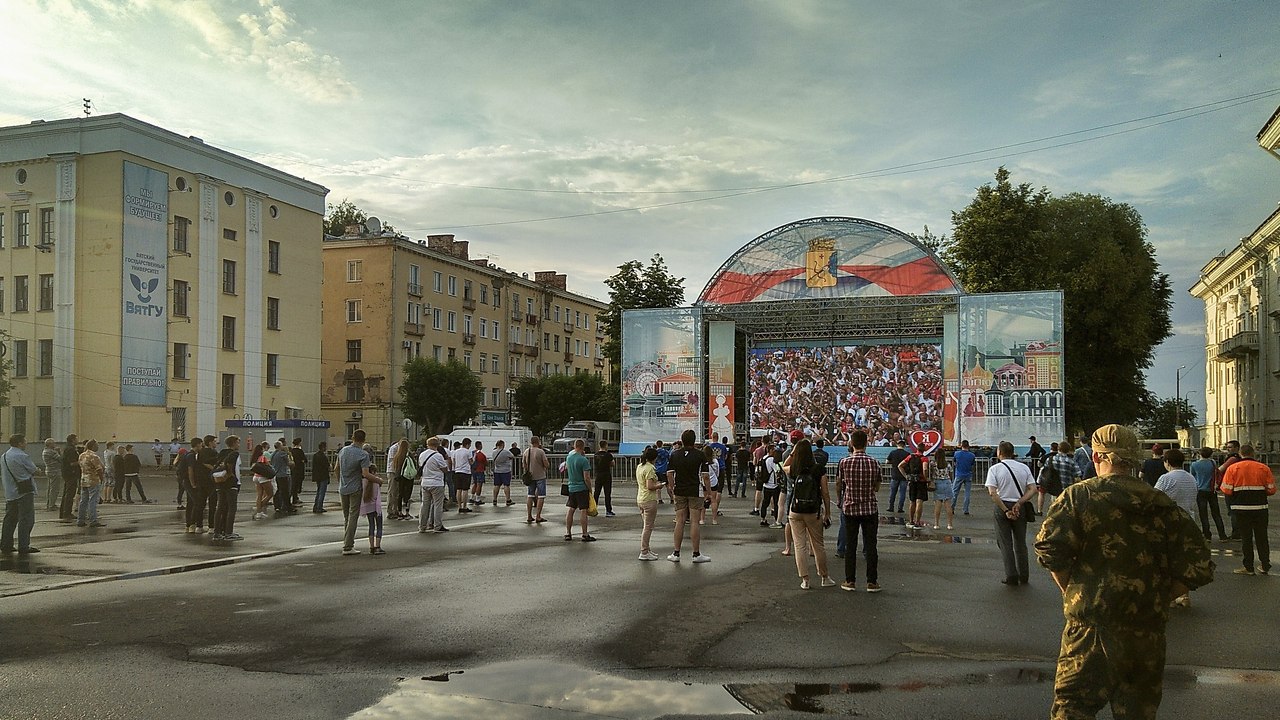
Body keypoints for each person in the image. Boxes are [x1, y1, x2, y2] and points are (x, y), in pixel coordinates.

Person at [1035, 424, 1214, 719]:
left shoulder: (1078, 497)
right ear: (1133, 460)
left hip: (1089, 631)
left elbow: (1051, 551)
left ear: (1096, 456)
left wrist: (1074, 592)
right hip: (1145, 635)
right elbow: (1199, 567)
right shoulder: (1160, 503)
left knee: (1073, 710)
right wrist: (1158, 597)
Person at [985, 440, 1038, 586]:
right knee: (1020, 542)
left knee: (1005, 542)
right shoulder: (1024, 468)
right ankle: (1024, 574)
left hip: (1002, 505)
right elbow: (1033, 488)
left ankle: (1011, 575)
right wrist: (1020, 502)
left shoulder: (995, 469)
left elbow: (992, 493)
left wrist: (1006, 510)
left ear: (999, 453)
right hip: (1019, 506)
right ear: (1012, 452)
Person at [1219, 443, 1275, 576]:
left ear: (1240, 454)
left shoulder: (1233, 468)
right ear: (1253, 454)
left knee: (1246, 538)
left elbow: (1226, 489)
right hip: (1260, 508)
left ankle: (1248, 567)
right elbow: (1272, 489)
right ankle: (1265, 564)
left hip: (1241, 508)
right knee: (1262, 537)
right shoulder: (1263, 468)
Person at [785, 438, 834, 589]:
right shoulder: (819, 469)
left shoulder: (794, 469)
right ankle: (824, 577)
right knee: (818, 545)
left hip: (796, 510)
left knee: (800, 546)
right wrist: (827, 513)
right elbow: (825, 493)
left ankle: (805, 580)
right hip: (813, 511)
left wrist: (793, 453)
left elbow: (783, 465)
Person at [837, 430, 881, 592]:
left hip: (850, 508)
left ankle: (850, 581)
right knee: (871, 546)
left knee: (851, 545)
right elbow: (876, 486)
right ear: (867, 443)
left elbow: (840, 484)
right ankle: (872, 582)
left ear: (852, 444)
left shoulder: (844, 462)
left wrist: (841, 500)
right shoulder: (874, 462)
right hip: (870, 508)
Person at [666, 430, 710, 562]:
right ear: (694, 440)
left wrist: (673, 487)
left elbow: (669, 473)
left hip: (679, 490)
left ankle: (676, 553)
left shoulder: (675, 455)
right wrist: (708, 492)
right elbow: (705, 476)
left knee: (679, 521)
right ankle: (696, 554)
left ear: (682, 440)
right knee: (694, 522)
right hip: (695, 490)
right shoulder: (700, 455)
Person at [338, 429, 380, 555]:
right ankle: (348, 546)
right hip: (355, 487)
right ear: (364, 439)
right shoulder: (363, 454)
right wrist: (378, 480)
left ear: (352, 437)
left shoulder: (343, 450)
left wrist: (340, 480)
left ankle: (347, 541)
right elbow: (365, 474)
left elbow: (336, 468)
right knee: (353, 516)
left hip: (343, 487)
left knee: (347, 516)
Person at [1, 434, 40, 554]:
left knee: (10, 519)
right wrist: (38, 470)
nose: (26, 443)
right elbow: (34, 470)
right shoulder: (22, 456)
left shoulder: (4, 456)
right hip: (24, 491)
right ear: (19, 443)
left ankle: (6, 544)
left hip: (10, 491)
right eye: (24, 441)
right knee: (26, 519)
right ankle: (23, 545)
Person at [1189, 446, 1227, 541]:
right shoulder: (1212, 463)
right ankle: (1222, 535)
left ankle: (1207, 535)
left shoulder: (1194, 465)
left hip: (1200, 490)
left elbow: (1192, 476)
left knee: (1203, 514)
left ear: (1199, 454)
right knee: (1216, 513)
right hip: (1212, 490)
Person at [210, 435, 243, 542]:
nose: (239, 444)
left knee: (220, 507)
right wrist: (231, 476)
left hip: (219, 483)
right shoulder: (234, 453)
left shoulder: (222, 452)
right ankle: (228, 532)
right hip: (231, 484)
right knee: (231, 508)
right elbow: (231, 466)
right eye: (238, 442)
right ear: (233, 443)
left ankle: (217, 532)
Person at [1038, 439, 1081, 514]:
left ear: (1058, 449)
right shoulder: (1071, 461)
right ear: (1068, 450)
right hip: (1067, 490)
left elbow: (1044, 471)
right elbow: (1078, 476)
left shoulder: (1050, 459)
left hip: (1054, 487)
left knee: (1054, 508)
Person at [417, 437, 450, 533]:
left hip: (425, 482)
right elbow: (444, 469)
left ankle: (422, 526)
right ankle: (437, 525)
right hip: (436, 482)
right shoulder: (438, 456)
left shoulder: (422, 455)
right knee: (437, 505)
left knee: (424, 505)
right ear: (437, 445)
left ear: (428, 445)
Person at [635, 447, 661, 560]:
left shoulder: (640, 466)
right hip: (649, 499)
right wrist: (659, 486)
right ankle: (644, 551)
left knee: (646, 525)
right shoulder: (650, 469)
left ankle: (647, 549)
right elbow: (650, 486)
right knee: (648, 527)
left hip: (640, 497)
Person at [76, 439, 106, 528]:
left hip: (84, 479)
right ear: (93, 446)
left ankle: (80, 520)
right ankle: (93, 520)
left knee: (83, 500)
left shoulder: (82, 455)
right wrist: (102, 478)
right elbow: (99, 469)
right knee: (93, 500)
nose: (98, 447)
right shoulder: (94, 456)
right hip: (93, 479)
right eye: (97, 445)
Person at [361, 451, 386, 555]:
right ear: (374, 472)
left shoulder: (363, 482)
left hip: (368, 507)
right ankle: (378, 546)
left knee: (371, 525)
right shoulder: (377, 483)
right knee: (379, 526)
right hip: (376, 507)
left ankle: (371, 546)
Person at [1217, 440, 1242, 540]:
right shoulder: (1239, 459)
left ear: (1237, 448)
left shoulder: (1232, 459)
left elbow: (1220, 469)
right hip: (1238, 486)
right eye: (1227, 447)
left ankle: (1236, 534)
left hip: (1230, 488)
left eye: (1230, 447)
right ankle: (1239, 533)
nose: (1228, 449)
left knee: (1233, 511)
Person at [524, 436, 551, 524]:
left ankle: (529, 515)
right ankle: (538, 516)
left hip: (530, 477)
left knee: (530, 495)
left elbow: (523, 465)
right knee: (541, 496)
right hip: (540, 476)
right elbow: (546, 464)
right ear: (538, 442)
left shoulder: (526, 451)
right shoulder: (540, 452)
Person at [900, 450, 928, 529]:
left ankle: (911, 521)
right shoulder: (924, 458)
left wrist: (906, 476)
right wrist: (926, 479)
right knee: (919, 501)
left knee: (912, 501)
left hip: (912, 481)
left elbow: (900, 465)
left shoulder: (910, 457)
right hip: (921, 481)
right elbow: (925, 469)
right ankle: (917, 522)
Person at [931, 449, 955, 530]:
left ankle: (936, 524)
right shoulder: (947, 464)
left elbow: (930, 473)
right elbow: (951, 474)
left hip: (937, 483)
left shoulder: (933, 464)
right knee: (948, 505)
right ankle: (949, 524)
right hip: (947, 482)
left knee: (938, 504)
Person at [758, 447, 783, 527]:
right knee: (776, 503)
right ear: (770, 451)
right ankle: (777, 520)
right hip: (773, 484)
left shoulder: (763, 458)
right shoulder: (772, 460)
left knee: (765, 502)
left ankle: (763, 519)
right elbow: (776, 470)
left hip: (766, 484)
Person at [59, 433, 80, 520]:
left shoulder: (67, 448)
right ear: (72, 440)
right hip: (71, 473)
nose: (78, 440)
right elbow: (72, 463)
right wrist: (81, 461)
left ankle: (63, 512)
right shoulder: (71, 450)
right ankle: (67, 513)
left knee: (66, 493)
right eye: (76, 439)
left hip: (66, 473)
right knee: (70, 493)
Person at [450, 438, 475, 513]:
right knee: (465, 490)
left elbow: (453, 461)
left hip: (457, 471)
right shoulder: (468, 452)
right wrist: (474, 459)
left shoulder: (456, 452)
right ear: (467, 444)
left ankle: (459, 506)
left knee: (458, 489)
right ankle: (464, 506)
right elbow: (471, 462)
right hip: (466, 472)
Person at [951, 440, 976, 515]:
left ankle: (952, 507)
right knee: (967, 493)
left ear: (961, 445)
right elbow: (972, 464)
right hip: (968, 475)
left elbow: (955, 462)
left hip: (959, 474)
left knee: (955, 492)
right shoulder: (972, 455)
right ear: (968, 446)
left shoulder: (957, 454)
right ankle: (966, 509)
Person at [387, 439, 409, 520]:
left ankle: (395, 510)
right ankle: (390, 511)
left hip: (397, 472)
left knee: (397, 492)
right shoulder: (394, 448)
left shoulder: (398, 448)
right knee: (392, 491)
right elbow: (394, 461)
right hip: (393, 471)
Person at [270, 440, 293, 516]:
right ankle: (287, 506)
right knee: (285, 491)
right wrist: (288, 453)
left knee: (278, 490)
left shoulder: (273, 454)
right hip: (283, 474)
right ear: (280, 446)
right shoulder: (282, 454)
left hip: (275, 474)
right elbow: (289, 463)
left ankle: (277, 505)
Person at [592, 440, 615, 517]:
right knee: (607, 493)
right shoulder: (608, 455)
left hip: (598, 475)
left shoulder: (596, 455)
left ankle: (593, 509)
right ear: (605, 445)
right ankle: (608, 511)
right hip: (606, 474)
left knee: (596, 493)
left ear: (599, 446)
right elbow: (612, 464)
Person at [886, 439, 909, 514]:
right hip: (903, 475)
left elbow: (887, 461)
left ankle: (891, 507)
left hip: (894, 475)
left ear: (897, 445)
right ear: (904, 445)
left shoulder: (893, 452)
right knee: (902, 493)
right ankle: (900, 508)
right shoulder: (907, 454)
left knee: (893, 492)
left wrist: (893, 462)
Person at [490, 440, 514, 507]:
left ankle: (494, 499)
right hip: (505, 470)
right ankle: (508, 500)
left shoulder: (494, 452)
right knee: (506, 485)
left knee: (496, 485)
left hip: (497, 470)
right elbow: (512, 456)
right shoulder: (506, 452)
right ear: (502, 445)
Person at [42, 438, 61, 511]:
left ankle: (49, 503)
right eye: (53, 443)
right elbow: (60, 459)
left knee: (50, 488)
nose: (55, 444)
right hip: (54, 471)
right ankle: (51, 505)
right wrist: (59, 452)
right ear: (49, 444)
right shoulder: (51, 452)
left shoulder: (45, 451)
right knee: (54, 489)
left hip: (49, 470)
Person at [311, 442, 330, 513]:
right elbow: (326, 466)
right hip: (323, 476)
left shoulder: (315, 455)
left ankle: (316, 506)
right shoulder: (323, 456)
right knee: (322, 492)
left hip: (317, 476)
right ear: (323, 447)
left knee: (318, 491)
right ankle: (319, 507)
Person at [469, 441, 487, 506]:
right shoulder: (481, 454)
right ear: (480, 446)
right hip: (480, 470)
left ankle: (472, 497)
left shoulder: (472, 453)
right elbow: (485, 462)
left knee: (475, 483)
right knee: (479, 484)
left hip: (473, 470)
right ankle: (477, 499)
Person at [654, 440, 671, 504]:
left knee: (658, 484)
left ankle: (659, 499)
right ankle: (671, 498)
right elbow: (669, 457)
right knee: (667, 485)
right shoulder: (665, 452)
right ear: (662, 444)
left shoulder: (655, 452)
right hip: (664, 469)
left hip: (657, 469)